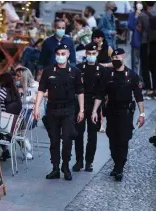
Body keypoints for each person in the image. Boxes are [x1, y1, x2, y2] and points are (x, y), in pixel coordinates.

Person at [92, 48, 145, 182]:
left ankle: (120, 168)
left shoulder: (132, 75)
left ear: (124, 58)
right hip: (111, 111)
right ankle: (117, 163)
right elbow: (100, 94)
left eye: (118, 58)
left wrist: (142, 114)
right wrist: (94, 111)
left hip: (125, 112)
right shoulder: (108, 75)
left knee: (123, 139)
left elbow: (138, 96)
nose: (116, 60)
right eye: (114, 58)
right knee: (112, 139)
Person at [34, 44, 84, 181]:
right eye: (58, 54)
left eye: (63, 54)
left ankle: (66, 166)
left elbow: (80, 91)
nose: (60, 56)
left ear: (68, 55)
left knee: (67, 139)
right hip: (52, 110)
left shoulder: (75, 71)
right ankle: (55, 168)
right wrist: (36, 108)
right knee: (54, 140)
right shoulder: (49, 71)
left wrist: (81, 110)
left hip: (68, 110)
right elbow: (41, 90)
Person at [72, 43, 106, 172]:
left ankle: (89, 162)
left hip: (94, 104)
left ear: (97, 53)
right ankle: (79, 161)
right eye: (89, 54)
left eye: (93, 53)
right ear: (86, 54)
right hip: (80, 103)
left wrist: (97, 110)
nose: (91, 56)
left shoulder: (102, 70)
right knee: (78, 134)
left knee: (92, 135)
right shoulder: (80, 68)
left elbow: (102, 91)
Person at [0, 72, 22, 160]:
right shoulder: (15, 91)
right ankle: (6, 150)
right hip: (14, 122)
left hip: (6, 125)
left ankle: (4, 150)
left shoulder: (4, 91)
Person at [15, 67, 39, 159]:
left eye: (18, 76)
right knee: (13, 131)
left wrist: (36, 99)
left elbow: (48, 93)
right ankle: (24, 143)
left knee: (16, 130)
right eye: (15, 75)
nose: (16, 78)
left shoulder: (34, 85)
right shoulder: (16, 87)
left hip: (30, 113)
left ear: (24, 77)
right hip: (19, 112)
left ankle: (23, 140)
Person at [137, 1, 156, 99]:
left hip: (145, 43)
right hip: (155, 43)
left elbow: (139, 29)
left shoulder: (142, 15)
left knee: (145, 67)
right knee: (154, 67)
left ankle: (149, 90)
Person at [128, 1, 144, 77]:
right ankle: (134, 80)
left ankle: (142, 80)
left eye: (140, 2)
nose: (139, 4)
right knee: (135, 63)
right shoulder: (132, 15)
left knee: (143, 64)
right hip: (135, 41)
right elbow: (130, 27)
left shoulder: (146, 14)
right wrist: (136, 17)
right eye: (137, 2)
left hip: (144, 41)